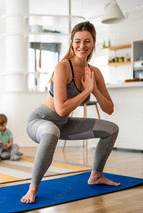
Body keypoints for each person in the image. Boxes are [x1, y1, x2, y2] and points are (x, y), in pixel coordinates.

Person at [21, 21, 120, 204]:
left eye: (87, 41)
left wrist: (94, 90)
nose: (82, 46)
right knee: (52, 131)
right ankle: (33, 188)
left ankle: (96, 175)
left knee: (111, 129)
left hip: (63, 124)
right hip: (40, 121)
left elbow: (110, 109)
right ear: (71, 43)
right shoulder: (63, 67)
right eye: (77, 41)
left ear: (94, 43)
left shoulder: (94, 73)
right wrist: (85, 91)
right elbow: (61, 109)